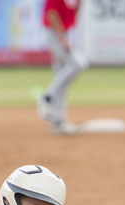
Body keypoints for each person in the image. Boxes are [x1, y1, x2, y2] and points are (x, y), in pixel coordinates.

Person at [36, 0, 87, 136]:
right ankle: (47, 97)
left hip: (64, 32)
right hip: (53, 33)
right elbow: (51, 12)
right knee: (79, 63)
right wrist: (62, 36)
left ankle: (58, 121)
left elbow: (74, 10)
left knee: (61, 75)